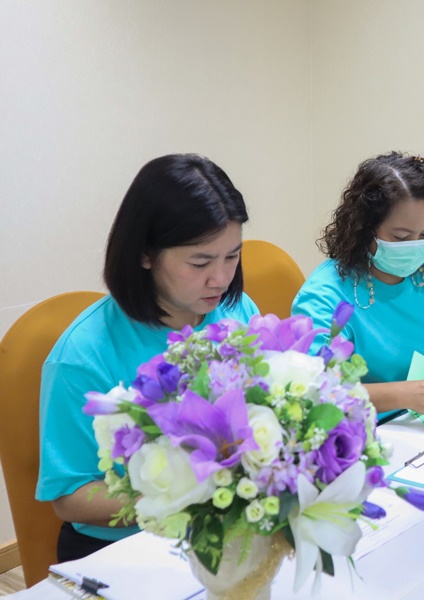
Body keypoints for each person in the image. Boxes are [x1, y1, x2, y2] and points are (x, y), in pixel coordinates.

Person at [37, 154, 260, 561]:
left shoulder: (237, 311)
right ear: (145, 254)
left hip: (227, 529)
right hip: (123, 549)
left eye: (232, 256)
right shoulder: (82, 355)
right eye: (200, 262)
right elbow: (70, 497)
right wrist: (190, 501)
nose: (221, 278)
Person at [293, 152, 424, 423]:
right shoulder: (325, 296)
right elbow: (316, 391)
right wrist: (406, 394)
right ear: (364, 229)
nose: (415, 246)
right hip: (366, 428)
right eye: (401, 236)